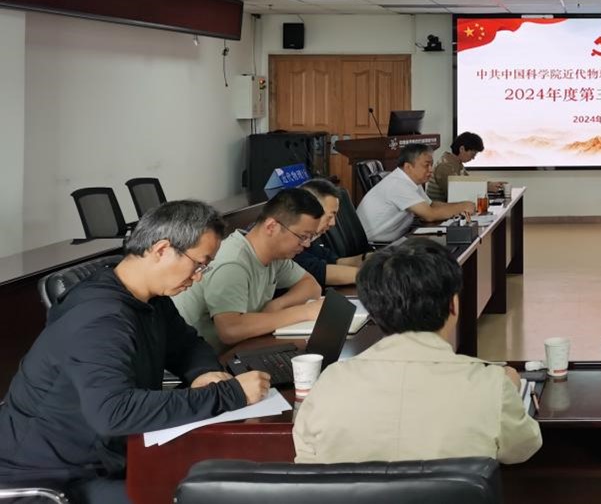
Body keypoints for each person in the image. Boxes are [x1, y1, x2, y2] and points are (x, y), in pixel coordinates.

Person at [0, 201, 270, 504]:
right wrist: (229, 394)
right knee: (201, 495)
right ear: (162, 249)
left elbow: (186, 345)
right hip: (52, 476)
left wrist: (204, 374)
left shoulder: (148, 297)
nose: (199, 277)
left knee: (224, 479)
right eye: (199, 264)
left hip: (110, 454)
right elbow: (113, 412)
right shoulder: (101, 318)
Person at [293, 237, 541, 465]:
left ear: (373, 310)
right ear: (453, 305)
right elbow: (522, 448)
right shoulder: (491, 386)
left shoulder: (329, 384)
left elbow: (307, 461)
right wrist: (510, 390)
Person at [174, 188, 325, 353]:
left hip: (238, 349)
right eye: (303, 236)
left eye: (310, 237)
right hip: (205, 357)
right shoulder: (232, 263)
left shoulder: (275, 256)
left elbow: (311, 286)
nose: (307, 244)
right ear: (271, 227)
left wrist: (276, 305)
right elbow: (230, 330)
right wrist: (304, 312)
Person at [356, 144, 477, 244]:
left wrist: (462, 205)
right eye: (426, 165)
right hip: (374, 246)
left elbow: (431, 205)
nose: (431, 170)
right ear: (408, 167)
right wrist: (463, 206)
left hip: (396, 240)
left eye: (431, 165)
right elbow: (429, 214)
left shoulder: (411, 181)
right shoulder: (398, 184)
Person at [294, 178, 364, 287]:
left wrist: (371, 259)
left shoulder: (307, 240)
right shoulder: (291, 242)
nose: (333, 223)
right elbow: (320, 272)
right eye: (330, 216)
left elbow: (334, 261)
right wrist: (373, 274)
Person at [426, 131, 484, 202]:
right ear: (462, 149)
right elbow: (456, 194)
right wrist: (485, 187)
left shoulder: (457, 163)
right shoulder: (445, 166)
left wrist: (487, 185)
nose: (473, 158)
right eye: (473, 154)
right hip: (441, 207)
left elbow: (469, 183)